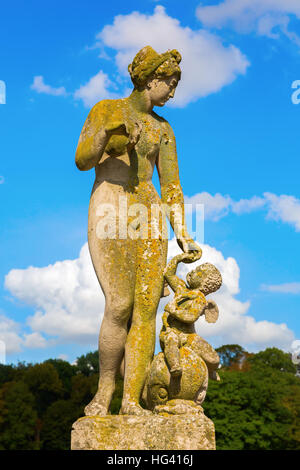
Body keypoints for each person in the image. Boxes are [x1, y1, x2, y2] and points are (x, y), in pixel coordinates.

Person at [75, 46, 200, 416]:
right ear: (151, 79)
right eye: (171, 82)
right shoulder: (106, 110)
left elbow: (172, 186)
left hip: (147, 213)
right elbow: (82, 160)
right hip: (110, 204)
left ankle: (131, 400)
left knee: (146, 309)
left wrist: (183, 232)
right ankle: (105, 391)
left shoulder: (164, 129)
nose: (174, 91)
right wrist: (109, 133)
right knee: (119, 305)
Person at [160, 252, 222, 381]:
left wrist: (174, 310)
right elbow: (168, 274)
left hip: (189, 336)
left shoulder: (200, 299)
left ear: (204, 281)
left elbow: (190, 317)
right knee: (171, 341)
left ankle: (211, 368)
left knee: (214, 358)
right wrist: (178, 258)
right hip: (172, 332)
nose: (192, 272)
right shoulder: (182, 289)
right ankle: (175, 366)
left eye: (197, 271)